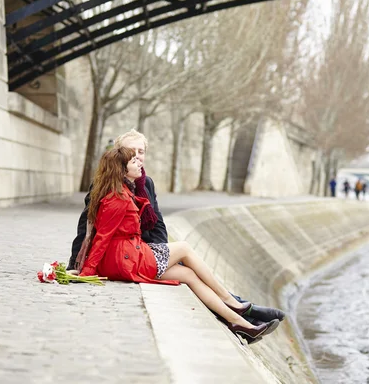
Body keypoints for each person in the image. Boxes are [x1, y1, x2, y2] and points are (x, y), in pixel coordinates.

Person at [69, 130, 284, 342]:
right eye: (131, 153)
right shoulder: (113, 191)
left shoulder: (144, 184)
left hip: (139, 252)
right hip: (128, 257)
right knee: (184, 248)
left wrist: (160, 253)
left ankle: (240, 324)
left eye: (140, 152)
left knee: (189, 274)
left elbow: (159, 224)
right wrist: (80, 268)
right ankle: (233, 302)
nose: (137, 158)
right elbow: (92, 231)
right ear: (120, 159)